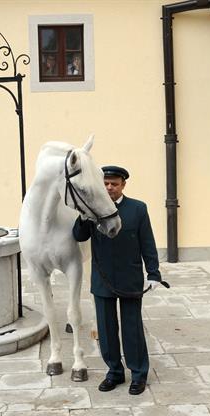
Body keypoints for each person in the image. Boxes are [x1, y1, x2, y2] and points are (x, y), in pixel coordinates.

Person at [73, 166, 161, 395]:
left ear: (123, 185)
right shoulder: (93, 209)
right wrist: (83, 217)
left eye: (114, 184)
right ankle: (114, 373)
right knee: (106, 330)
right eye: (106, 183)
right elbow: (78, 236)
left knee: (132, 329)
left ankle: (139, 374)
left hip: (129, 278)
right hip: (102, 280)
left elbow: (147, 242)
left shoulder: (137, 209)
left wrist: (154, 273)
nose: (110, 187)